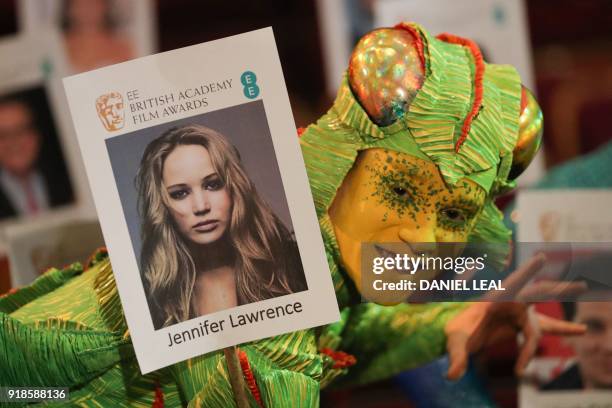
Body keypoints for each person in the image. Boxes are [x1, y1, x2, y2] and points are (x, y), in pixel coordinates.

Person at [0, 23, 585, 406]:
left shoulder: (314, 260)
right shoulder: (250, 286)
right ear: (348, 155)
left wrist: (453, 320)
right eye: (405, 189)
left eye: (456, 212)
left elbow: (346, 336)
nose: (428, 236)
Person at [136, 125, 307, 329]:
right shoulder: (151, 296)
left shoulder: (293, 264)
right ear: (162, 206)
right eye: (180, 193)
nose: (201, 206)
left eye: (213, 184)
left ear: (235, 188)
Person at [0, 95, 73, 220]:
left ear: (36, 135)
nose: (14, 142)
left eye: (21, 130)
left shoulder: (70, 180)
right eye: (3, 135)